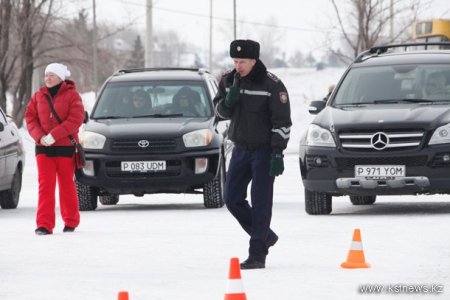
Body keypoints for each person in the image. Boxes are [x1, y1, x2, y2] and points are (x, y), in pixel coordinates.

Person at [213, 39, 292, 269]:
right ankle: (265, 235)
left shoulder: (271, 85)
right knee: (231, 198)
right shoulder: (228, 80)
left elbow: (282, 121)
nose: (238, 66)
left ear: (254, 60)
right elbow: (218, 110)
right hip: (240, 149)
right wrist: (228, 101)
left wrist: (278, 152)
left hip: (264, 151)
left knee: (260, 203)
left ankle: (257, 253)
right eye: (235, 61)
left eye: (243, 61)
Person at [25, 63, 85, 235]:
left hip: (65, 147)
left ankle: (71, 221)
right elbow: (30, 118)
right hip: (43, 148)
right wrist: (40, 137)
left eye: (51, 75)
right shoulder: (38, 96)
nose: (47, 78)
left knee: (66, 185)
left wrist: (54, 135)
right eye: (46, 75)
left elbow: (76, 119)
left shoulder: (73, 96)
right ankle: (44, 224)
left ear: (60, 77)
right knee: (45, 186)